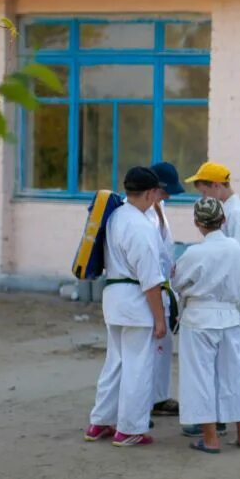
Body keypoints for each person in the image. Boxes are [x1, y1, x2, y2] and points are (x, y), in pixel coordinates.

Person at [185, 161, 240, 432]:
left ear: (216, 185)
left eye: (204, 191)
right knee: (237, 354)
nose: (203, 198)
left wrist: (225, 286)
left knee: (233, 356)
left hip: (228, 296)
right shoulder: (230, 210)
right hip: (228, 295)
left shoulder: (236, 212)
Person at [84, 167, 168, 447]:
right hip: (136, 302)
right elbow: (150, 280)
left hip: (115, 298)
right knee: (138, 366)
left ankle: (100, 421)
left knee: (115, 362)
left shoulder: (116, 215)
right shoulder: (142, 226)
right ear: (149, 192)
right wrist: (160, 319)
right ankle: (130, 428)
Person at [173, 197, 240, 454]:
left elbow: (178, 282)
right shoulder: (234, 248)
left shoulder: (193, 253)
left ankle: (210, 438)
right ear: (224, 220)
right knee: (234, 375)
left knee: (200, 377)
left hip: (199, 319)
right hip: (230, 316)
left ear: (197, 223)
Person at [146, 162, 184, 419]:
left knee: (162, 347)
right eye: (165, 191)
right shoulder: (140, 215)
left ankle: (158, 397)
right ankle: (143, 402)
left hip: (163, 287)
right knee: (146, 349)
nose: (168, 196)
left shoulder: (159, 209)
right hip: (149, 288)